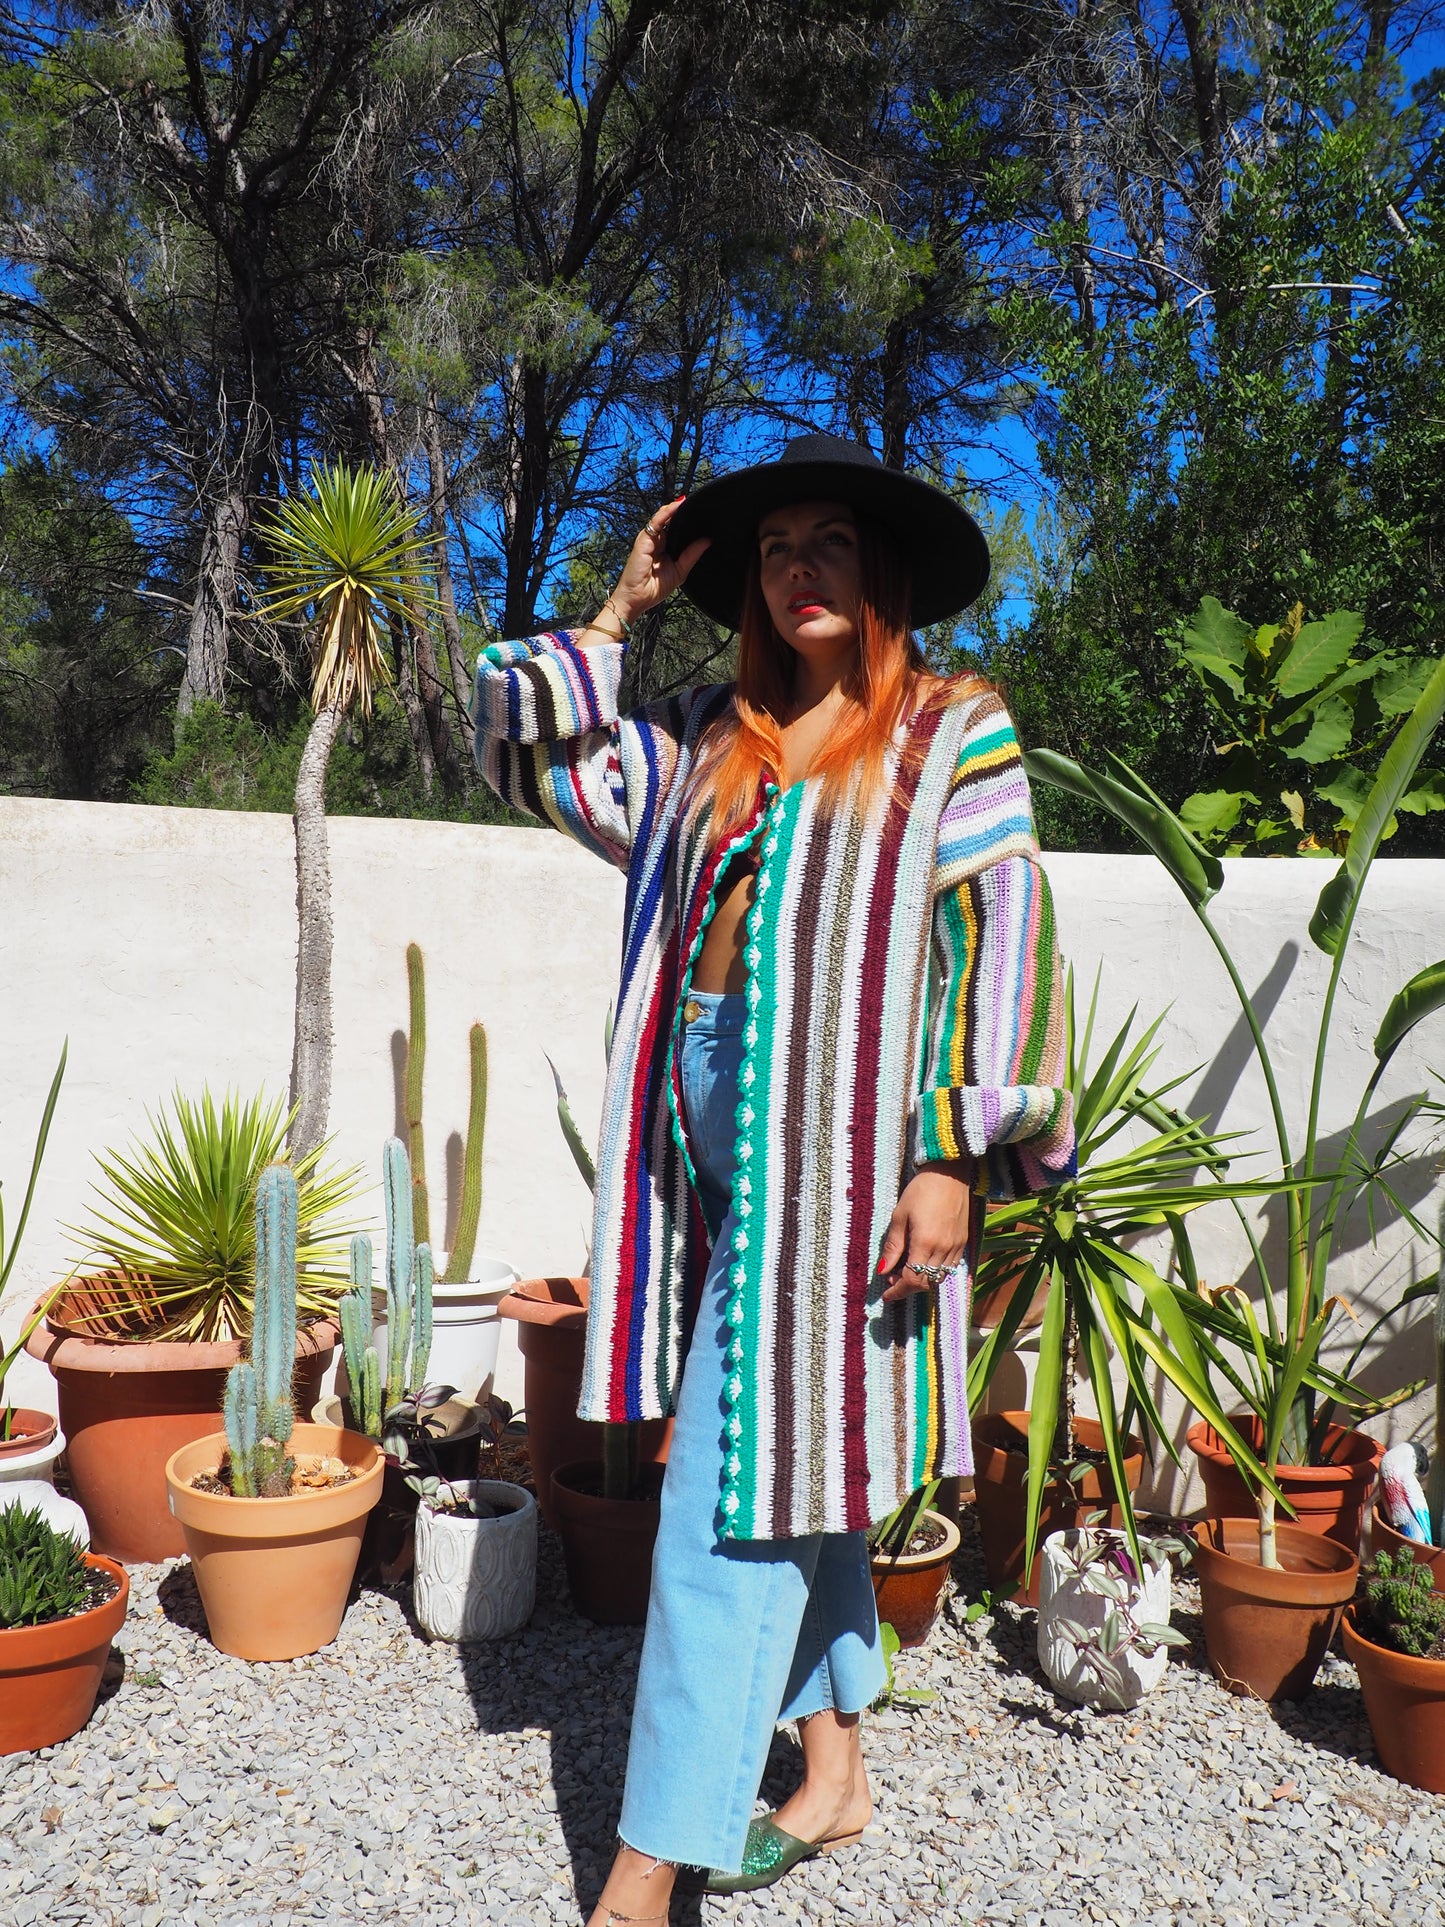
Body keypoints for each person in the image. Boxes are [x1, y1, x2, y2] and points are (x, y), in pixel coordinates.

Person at [471, 433, 1075, 1925]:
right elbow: (521, 754)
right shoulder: (695, 728)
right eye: (773, 547)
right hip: (691, 1147)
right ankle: (837, 1769)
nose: (800, 566)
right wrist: (615, 615)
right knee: (793, 1452)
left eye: (831, 543)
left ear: (881, 576)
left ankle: (644, 1866)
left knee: (727, 1487)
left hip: (844, 1159)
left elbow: (1000, 936)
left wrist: (951, 1154)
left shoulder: (948, 728)